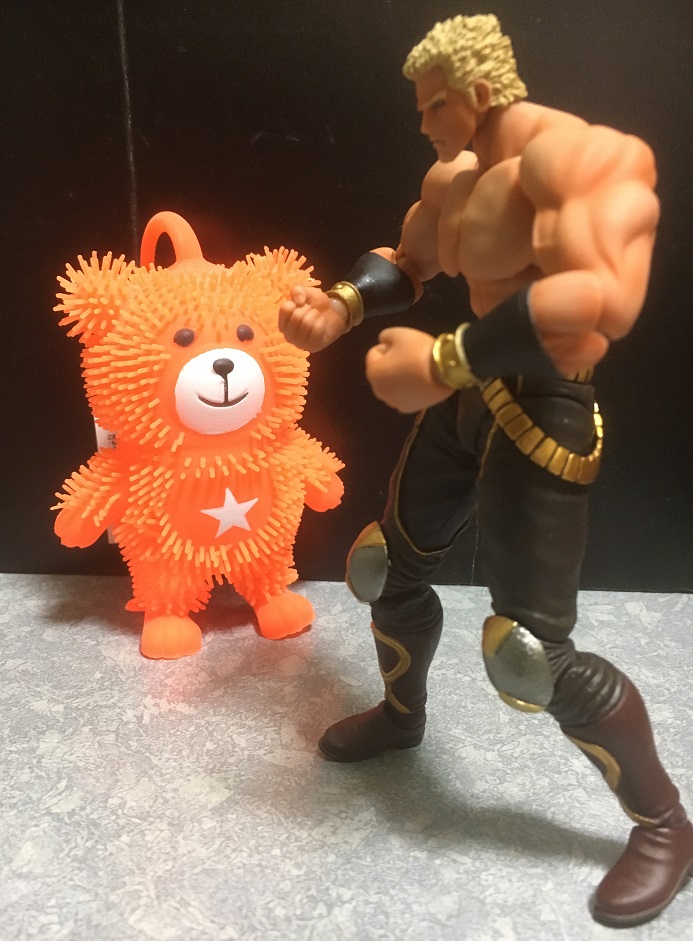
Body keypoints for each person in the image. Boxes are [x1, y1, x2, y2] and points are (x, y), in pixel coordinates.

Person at [278, 14, 692, 927]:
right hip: (469, 395)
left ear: (473, 93)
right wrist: (339, 306)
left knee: (528, 653)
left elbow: (598, 300)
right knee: (383, 564)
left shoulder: (575, 159)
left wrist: (442, 361)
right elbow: (410, 260)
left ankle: (664, 823)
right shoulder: (454, 178)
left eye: (432, 107)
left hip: (543, 406)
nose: (424, 124)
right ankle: (402, 717)